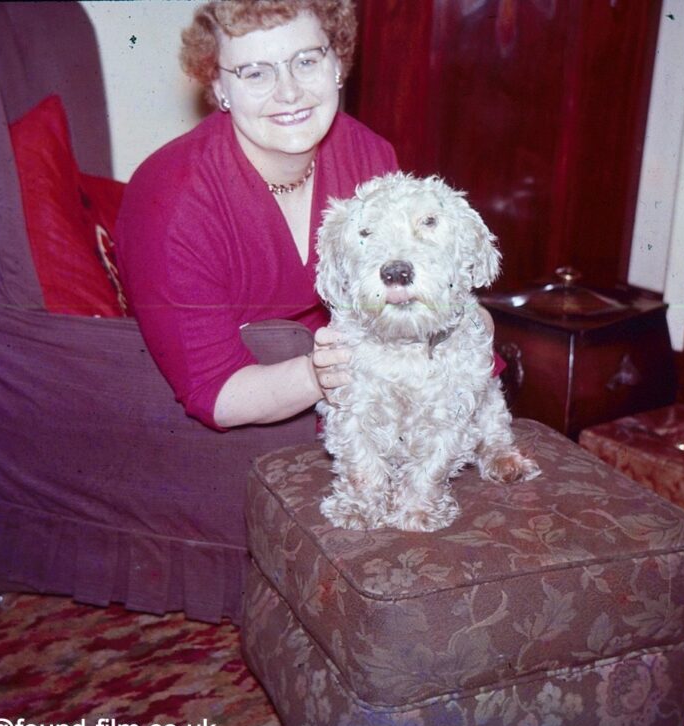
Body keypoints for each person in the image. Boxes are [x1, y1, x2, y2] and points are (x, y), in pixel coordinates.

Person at [116, 0, 496, 431]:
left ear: (337, 62)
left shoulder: (370, 156)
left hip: (360, 418)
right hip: (222, 439)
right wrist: (321, 373)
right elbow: (215, 392)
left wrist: (463, 322)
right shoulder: (171, 198)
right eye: (255, 72)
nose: (289, 92)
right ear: (219, 87)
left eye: (306, 61)